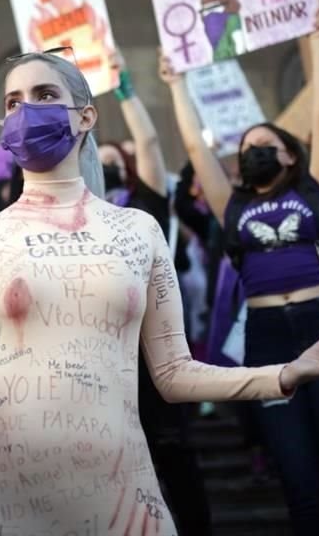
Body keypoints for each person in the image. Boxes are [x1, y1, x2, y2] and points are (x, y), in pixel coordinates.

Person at [0, 50, 319, 536]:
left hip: (121, 498)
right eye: (14, 101)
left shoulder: (139, 231)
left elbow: (173, 373)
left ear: (86, 116)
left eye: (45, 95)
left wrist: (287, 372)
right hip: (0, 500)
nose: (28, 111)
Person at [161, 9, 319, 534]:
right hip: (266, 339)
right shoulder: (232, 206)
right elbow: (196, 147)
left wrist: (318, 43)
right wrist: (176, 85)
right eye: (245, 150)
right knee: (301, 489)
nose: (252, 153)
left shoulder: (317, 192)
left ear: (289, 154)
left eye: (264, 145)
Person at [103, 53, 212, 535]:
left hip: (148, 359)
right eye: (93, 157)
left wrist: (125, 89)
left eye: (110, 161)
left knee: (174, 460)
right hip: (97, 366)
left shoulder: (142, 211)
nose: (102, 163)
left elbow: (148, 141)